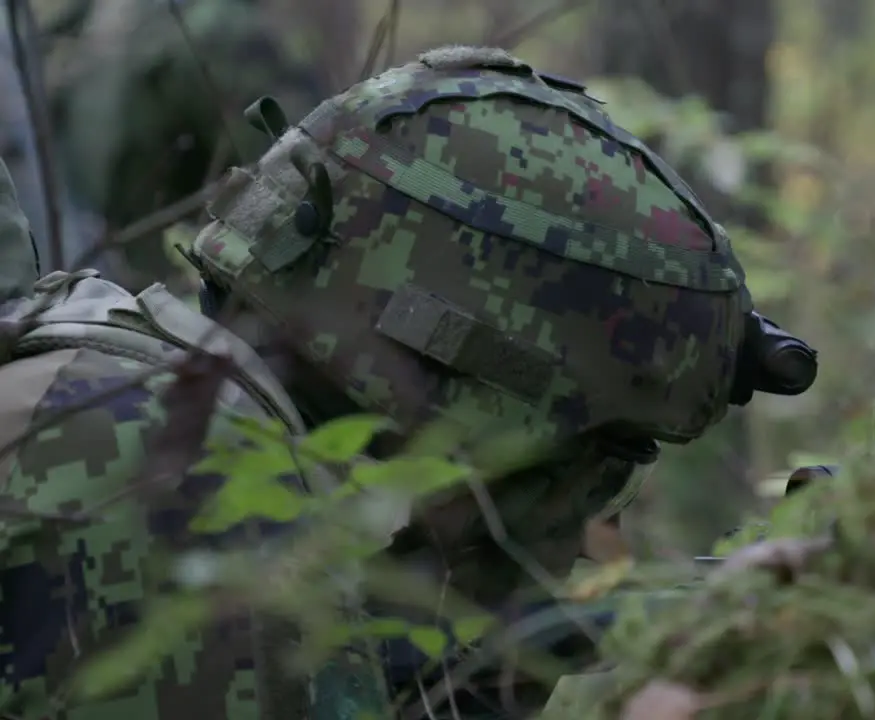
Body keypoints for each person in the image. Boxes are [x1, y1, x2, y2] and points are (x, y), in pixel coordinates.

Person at [0, 44, 817, 719]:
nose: (581, 522)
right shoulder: (188, 499)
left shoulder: (108, 371)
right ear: (482, 394)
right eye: (607, 455)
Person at [46, 0, 328, 292]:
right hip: (175, 299)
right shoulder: (219, 26)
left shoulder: (90, 23)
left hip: (93, 291)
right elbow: (311, 176)